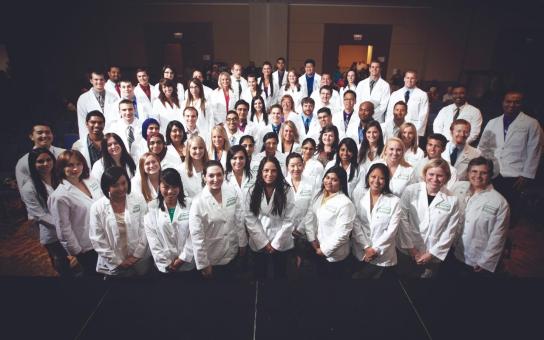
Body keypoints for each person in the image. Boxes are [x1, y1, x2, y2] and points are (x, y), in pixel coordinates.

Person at [478, 90, 543, 224]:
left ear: (521, 104)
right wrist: (482, 168)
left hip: (515, 174)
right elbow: (483, 147)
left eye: (516, 102)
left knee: (508, 208)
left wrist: (526, 175)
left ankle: (505, 234)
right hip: (493, 172)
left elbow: (535, 150)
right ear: (503, 102)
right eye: (508, 101)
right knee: (489, 205)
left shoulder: (531, 123)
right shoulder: (493, 122)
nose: (512, 105)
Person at [397, 158, 460, 278]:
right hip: (406, 250)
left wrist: (431, 254)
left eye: (440, 175)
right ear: (425, 174)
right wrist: (411, 249)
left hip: (432, 254)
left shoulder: (452, 199)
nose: (435, 179)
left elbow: (450, 231)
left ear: (446, 177)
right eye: (431, 174)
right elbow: (402, 219)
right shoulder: (411, 190)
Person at [48, 150, 103, 276]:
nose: (75, 168)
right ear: (61, 168)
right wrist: (77, 251)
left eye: (78, 164)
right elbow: (63, 229)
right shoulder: (59, 196)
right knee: (94, 276)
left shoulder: (90, 180)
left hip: (103, 237)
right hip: (86, 246)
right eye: (70, 165)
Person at [189, 160, 247, 279]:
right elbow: (196, 236)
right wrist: (203, 264)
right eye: (211, 176)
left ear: (224, 175)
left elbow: (239, 220)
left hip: (233, 253)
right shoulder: (198, 202)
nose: (216, 179)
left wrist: (242, 243)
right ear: (204, 177)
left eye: (219, 174)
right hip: (212, 259)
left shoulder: (231, 193)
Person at [451, 157, 509, 276]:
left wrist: (486, 261)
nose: (478, 176)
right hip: (451, 251)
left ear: (490, 175)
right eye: (474, 171)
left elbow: (498, 235)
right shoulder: (458, 188)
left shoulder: (499, 202)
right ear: (468, 173)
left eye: (483, 173)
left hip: (475, 259)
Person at [90, 166, 150, 277]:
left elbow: (146, 228)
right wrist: (117, 261)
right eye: (115, 185)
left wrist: (137, 255)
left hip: (139, 259)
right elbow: (97, 238)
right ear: (107, 187)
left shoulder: (138, 199)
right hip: (113, 261)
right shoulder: (97, 207)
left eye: (123, 183)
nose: (121, 188)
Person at [20, 148, 71, 276]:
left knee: (73, 257)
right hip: (52, 232)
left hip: (68, 226)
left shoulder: (59, 178)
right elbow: (39, 215)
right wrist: (63, 224)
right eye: (40, 161)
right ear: (33, 164)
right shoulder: (29, 187)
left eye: (48, 160)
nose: (46, 164)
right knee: (61, 261)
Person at [245, 156, 296, 279]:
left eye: (273, 171)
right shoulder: (253, 190)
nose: (270, 174)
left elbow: (289, 219)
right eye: (266, 170)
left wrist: (275, 244)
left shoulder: (286, 190)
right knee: (260, 277)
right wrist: (264, 243)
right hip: (259, 242)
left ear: (278, 172)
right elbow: (250, 218)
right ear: (261, 172)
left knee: (280, 277)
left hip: (281, 242)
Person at [304, 166, 356, 278]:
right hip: (316, 248)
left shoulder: (345, 203)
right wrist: (312, 240)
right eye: (327, 177)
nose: (329, 182)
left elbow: (342, 234)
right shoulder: (319, 196)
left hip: (334, 256)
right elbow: (309, 218)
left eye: (334, 179)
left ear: (341, 183)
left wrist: (324, 250)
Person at [352, 163, 401, 278]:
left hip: (383, 256)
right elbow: (355, 223)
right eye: (373, 176)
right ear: (368, 177)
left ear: (386, 180)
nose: (377, 181)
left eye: (381, 178)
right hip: (361, 252)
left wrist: (375, 250)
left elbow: (391, 231)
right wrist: (366, 247)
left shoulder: (394, 201)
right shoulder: (359, 195)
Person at [144, 168, 196, 275]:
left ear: (180, 186)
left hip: (188, 263)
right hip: (164, 266)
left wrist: (182, 258)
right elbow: (153, 239)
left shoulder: (190, 204)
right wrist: (165, 263)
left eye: (174, 187)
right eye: (166, 187)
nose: (170, 191)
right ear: (159, 186)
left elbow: (194, 234)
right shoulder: (152, 207)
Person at [16, 122, 65, 194]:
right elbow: (24, 191)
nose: (44, 135)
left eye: (48, 132)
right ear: (31, 136)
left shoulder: (64, 154)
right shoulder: (23, 162)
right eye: (40, 133)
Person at [386, 70, 429, 138]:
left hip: (412, 129)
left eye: (412, 78)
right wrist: (389, 128)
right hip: (396, 128)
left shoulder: (422, 95)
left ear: (416, 80)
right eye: (407, 78)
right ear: (404, 79)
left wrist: (418, 133)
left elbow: (423, 115)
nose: (409, 80)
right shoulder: (395, 94)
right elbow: (389, 112)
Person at [77, 70, 117, 138]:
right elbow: (82, 125)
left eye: (101, 79)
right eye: (96, 79)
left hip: (110, 137)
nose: (99, 82)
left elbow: (116, 121)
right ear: (91, 81)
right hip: (92, 138)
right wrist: (87, 142)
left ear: (105, 81)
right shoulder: (83, 99)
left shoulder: (114, 98)